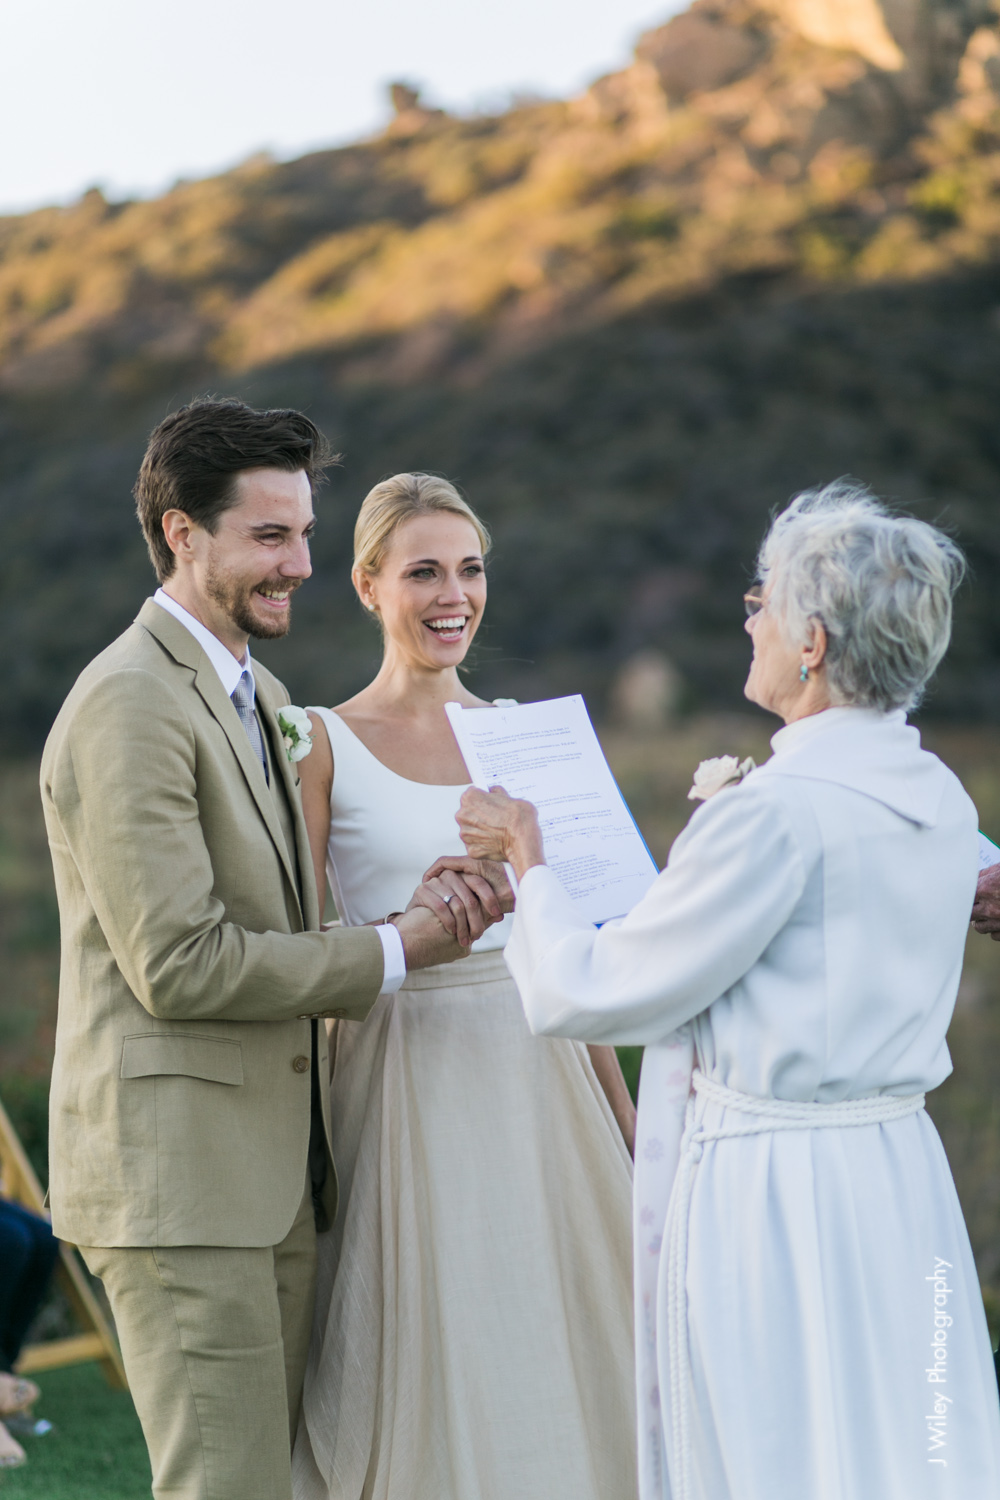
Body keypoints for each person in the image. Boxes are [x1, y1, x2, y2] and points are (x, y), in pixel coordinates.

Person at [454, 482, 1000, 1500]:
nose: (747, 618)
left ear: (813, 643)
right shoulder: (937, 794)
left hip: (775, 1190)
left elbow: (596, 989)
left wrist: (527, 857)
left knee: (777, 1447)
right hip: (897, 1172)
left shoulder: (774, 815)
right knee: (898, 1440)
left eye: (763, 601)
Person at [40, 402, 467, 1500]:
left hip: (274, 1180)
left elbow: (269, 925)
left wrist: (386, 920)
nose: (303, 565)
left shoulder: (258, 696)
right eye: (270, 538)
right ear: (183, 534)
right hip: (182, 1189)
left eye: (305, 534)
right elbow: (179, 963)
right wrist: (395, 954)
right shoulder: (129, 703)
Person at [292, 473, 638, 1500]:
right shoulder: (319, 741)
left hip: (544, 1066)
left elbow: (578, 949)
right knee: (439, 1333)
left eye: (471, 569)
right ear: (365, 584)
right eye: (424, 571)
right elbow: (304, 946)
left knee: (571, 1329)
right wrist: (406, 924)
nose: (454, 594)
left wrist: (625, 1129)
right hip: (402, 1074)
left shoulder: (531, 738)